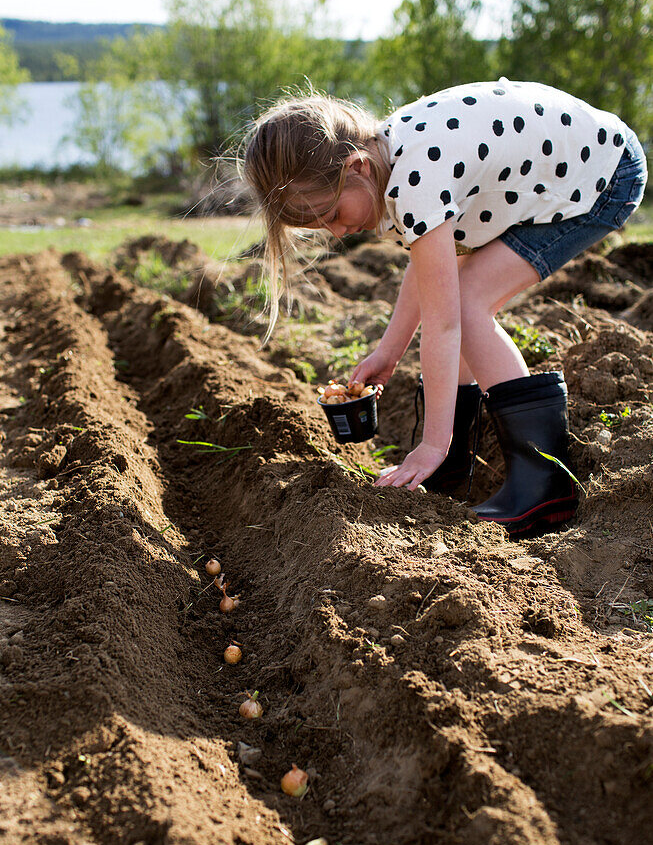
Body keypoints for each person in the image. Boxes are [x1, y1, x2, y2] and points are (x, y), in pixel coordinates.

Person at [241, 80, 648, 536]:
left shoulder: (417, 179)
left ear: (356, 167)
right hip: (552, 172)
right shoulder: (385, 162)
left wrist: (432, 442)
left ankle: (545, 485)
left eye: (333, 214)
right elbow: (430, 272)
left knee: (470, 302)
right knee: (460, 291)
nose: (336, 233)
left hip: (600, 176)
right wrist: (388, 352)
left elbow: (444, 320)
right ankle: (452, 468)